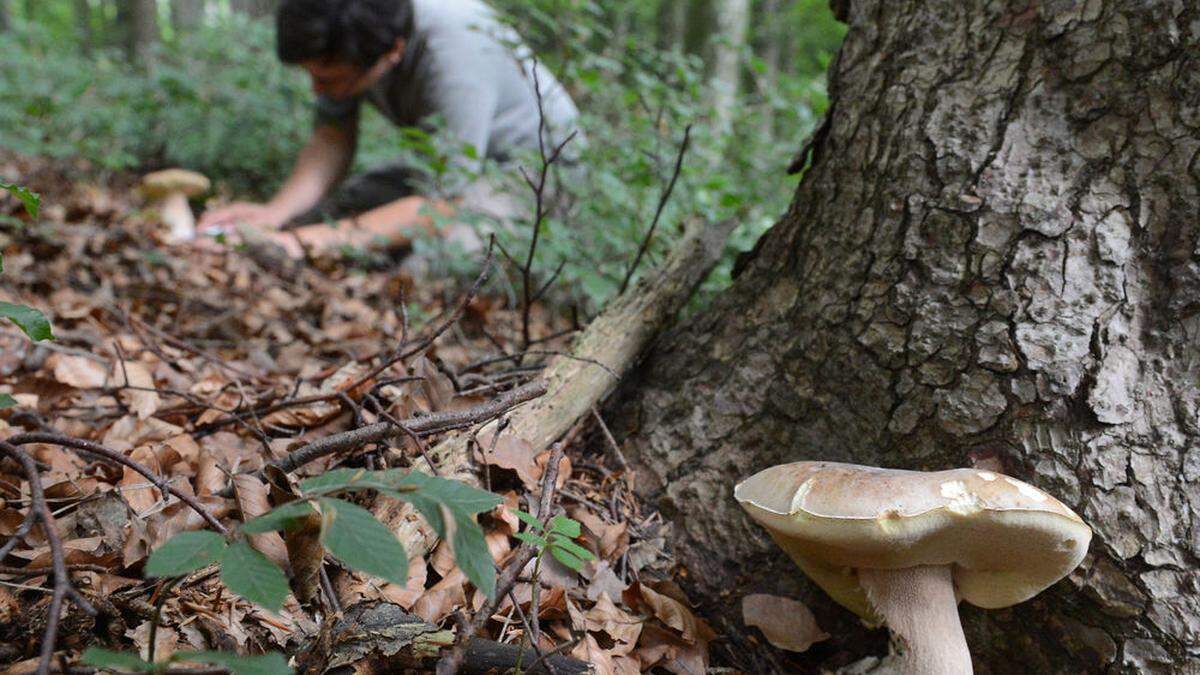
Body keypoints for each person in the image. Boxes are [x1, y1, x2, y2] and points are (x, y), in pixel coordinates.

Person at [198, 0, 580, 259]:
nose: (318, 90)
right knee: (325, 217)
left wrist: (300, 244)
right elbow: (332, 136)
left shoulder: (454, 54)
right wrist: (274, 215)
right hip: (456, 168)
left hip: (537, 171)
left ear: (392, 52)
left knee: (439, 261)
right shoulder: (350, 26)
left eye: (329, 80)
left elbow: (442, 205)